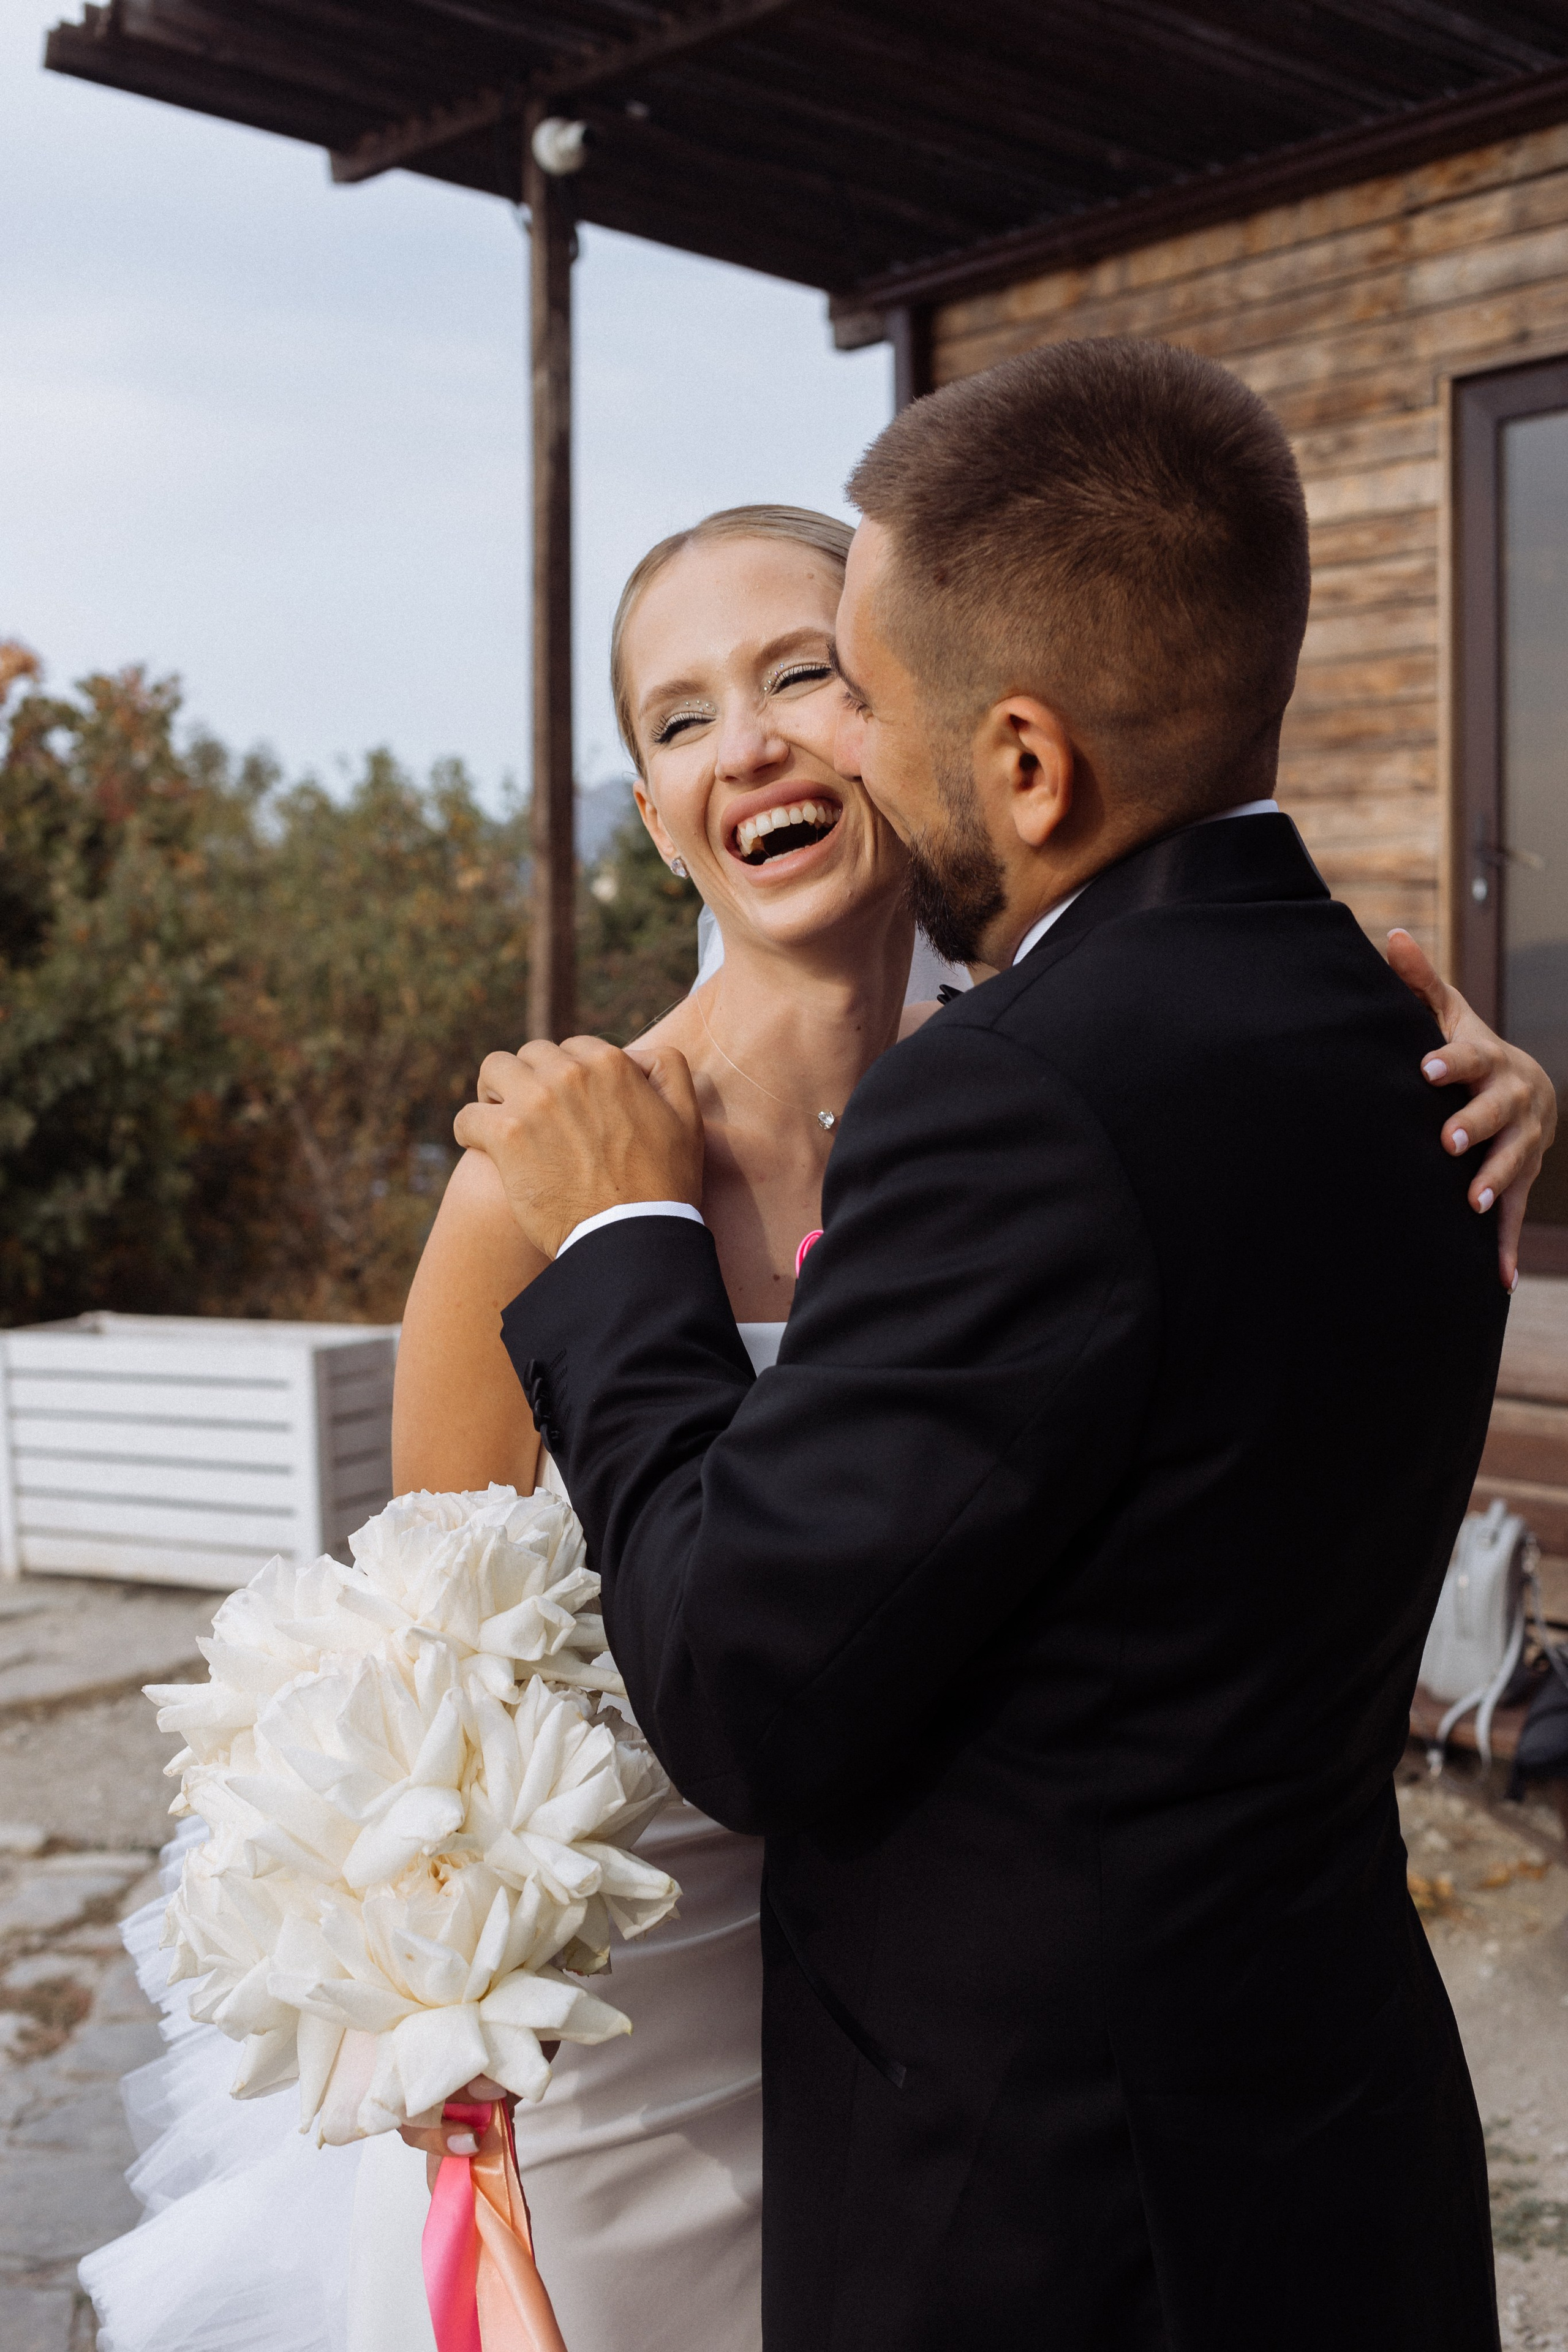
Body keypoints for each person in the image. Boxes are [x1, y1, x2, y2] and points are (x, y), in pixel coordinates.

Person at [78, 494, 1550, 2352]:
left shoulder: (1111, 1092)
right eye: (680, 721)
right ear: (656, 804)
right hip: (649, 2070)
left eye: (809, 676)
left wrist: (1472, 1117)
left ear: (928, 717)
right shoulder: (537, 1185)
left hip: (1032, 2106)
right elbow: (420, 1712)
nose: (749, 742)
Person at [458, 345, 1559, 2352]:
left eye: (847, 687)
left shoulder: (1012, 1100)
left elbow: (740, 1685)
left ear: (1030, 766)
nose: (817, 748)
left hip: (1044, 2215)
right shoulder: (1401, 1044)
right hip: (1321, 2153)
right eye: (687, 717)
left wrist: (625, 1243)